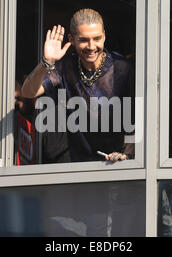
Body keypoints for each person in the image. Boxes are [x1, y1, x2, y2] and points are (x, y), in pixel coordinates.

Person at [21, 8, 134, 163]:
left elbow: (138, 117)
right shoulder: (64, 67)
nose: (91, 46)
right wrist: (47, 62)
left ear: (104, 36)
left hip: (116, 165)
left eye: (97, 38)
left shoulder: (122, 68)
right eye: (83, 40)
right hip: (79, 168)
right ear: (71, 39)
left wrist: (127, 155)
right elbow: (28, 92)